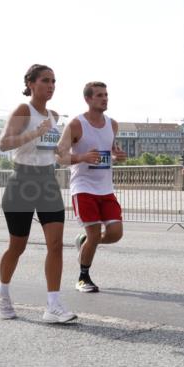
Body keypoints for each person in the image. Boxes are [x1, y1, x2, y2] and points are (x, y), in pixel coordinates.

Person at [0, 64, 77, 323]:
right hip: (22, 182)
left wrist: (80, 154)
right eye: (45, 80)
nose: (51, 86)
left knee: (56, 244)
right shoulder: (23, 110)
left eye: (54, 81)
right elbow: (4, 143)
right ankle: (2, 292)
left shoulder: (54, 115)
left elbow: (56, 154)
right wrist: (34, 132)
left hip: (47, 182)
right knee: (17, 246)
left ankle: (53, 305)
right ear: (30, 83)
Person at [58, 81, 127, 293]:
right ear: (88, 99)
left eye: (106, 95)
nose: (104, 98)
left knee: (115, 233)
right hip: (83, 187)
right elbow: (60, 155)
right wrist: (81, 157)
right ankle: (83, 277)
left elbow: (112, 150)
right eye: (99, 95)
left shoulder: (112, 124)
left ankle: (85, 242)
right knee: (95, 234)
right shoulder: (76, 125)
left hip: (106, 188)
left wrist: (118, 156)